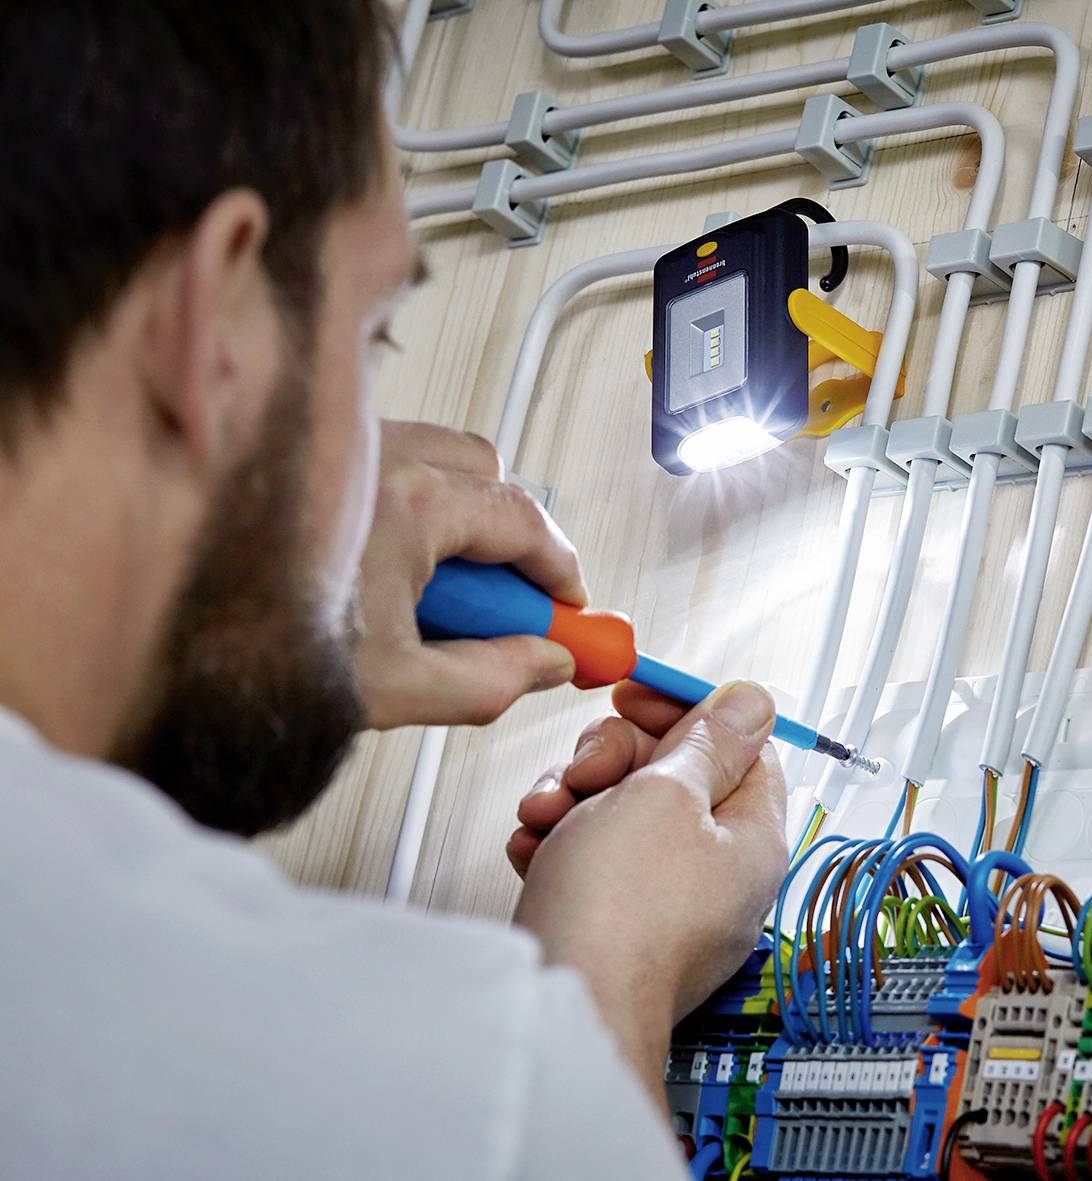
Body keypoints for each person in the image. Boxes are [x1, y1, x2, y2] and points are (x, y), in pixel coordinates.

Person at [0, 3, 789, 1177]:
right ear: (211, 328)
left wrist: (239, 591)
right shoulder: (434, 1098)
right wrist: (606, 966)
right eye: (371, 334)